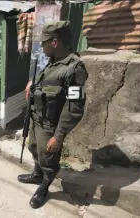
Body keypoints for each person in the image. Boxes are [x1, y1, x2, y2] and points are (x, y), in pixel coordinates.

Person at [17, 21, 88, 209]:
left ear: (55, 42)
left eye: (44, 42)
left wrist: (59, 135)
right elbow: (50, 82)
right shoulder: (54, 60)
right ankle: (37, 174)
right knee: (34, 148)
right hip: (36, 119)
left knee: (48, 159)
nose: (41, 46)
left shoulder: (74, 68)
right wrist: (33, 82)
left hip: (50, 125)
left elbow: (75, 106)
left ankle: (44, 186)